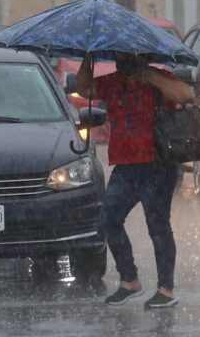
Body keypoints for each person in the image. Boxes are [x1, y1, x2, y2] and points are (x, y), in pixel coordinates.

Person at [76, 51, 193, 309]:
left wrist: (150, 76)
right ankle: (129, 280)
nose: (121, 59)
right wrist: (89, 57)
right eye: (117, 54)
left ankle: (166, 288)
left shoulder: (158, 78)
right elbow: (83, 88)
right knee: (108, 219)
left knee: (158, 226)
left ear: (140, 56)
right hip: (125, 167)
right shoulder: (113, 81)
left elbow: (186, 95)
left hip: (157, 164)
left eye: (126, 54)